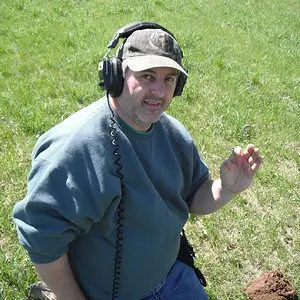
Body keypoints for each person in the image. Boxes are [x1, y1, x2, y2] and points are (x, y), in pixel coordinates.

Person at [13, 21, 263, 300]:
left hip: (172, 276)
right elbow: (41, 239)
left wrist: (226, 189)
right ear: (116, 75)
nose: (159, 90)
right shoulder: (76, 148)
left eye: (169, 79)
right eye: (147, 76)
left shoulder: (174, 134)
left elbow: (194, 197)